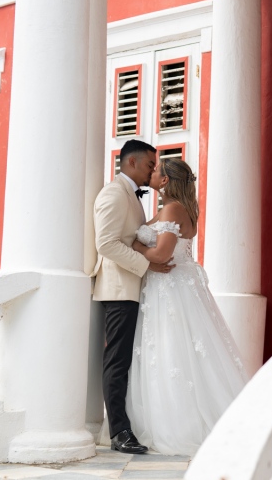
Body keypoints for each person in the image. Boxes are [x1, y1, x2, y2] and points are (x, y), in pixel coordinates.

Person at [126, 158, 248, 455]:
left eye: (156, 170)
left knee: (171, 350)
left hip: (169, 288)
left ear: (165, 180)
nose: (151, 172)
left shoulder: (173, 209)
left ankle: (179, 425)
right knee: (176, 351)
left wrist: (136, 247)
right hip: (171, 286)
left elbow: (162, 254)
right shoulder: (177, 208)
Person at [92, 139, 174, 454]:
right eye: (150, 165)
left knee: (127, 360)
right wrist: (147, 264)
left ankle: (126, 426)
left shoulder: (131, 195)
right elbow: (106, 243)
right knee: (118, 360)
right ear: (132, 162)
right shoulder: (114, 193)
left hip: (133, 287)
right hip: (119, 288)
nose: (153, 171)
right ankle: (119, 432)